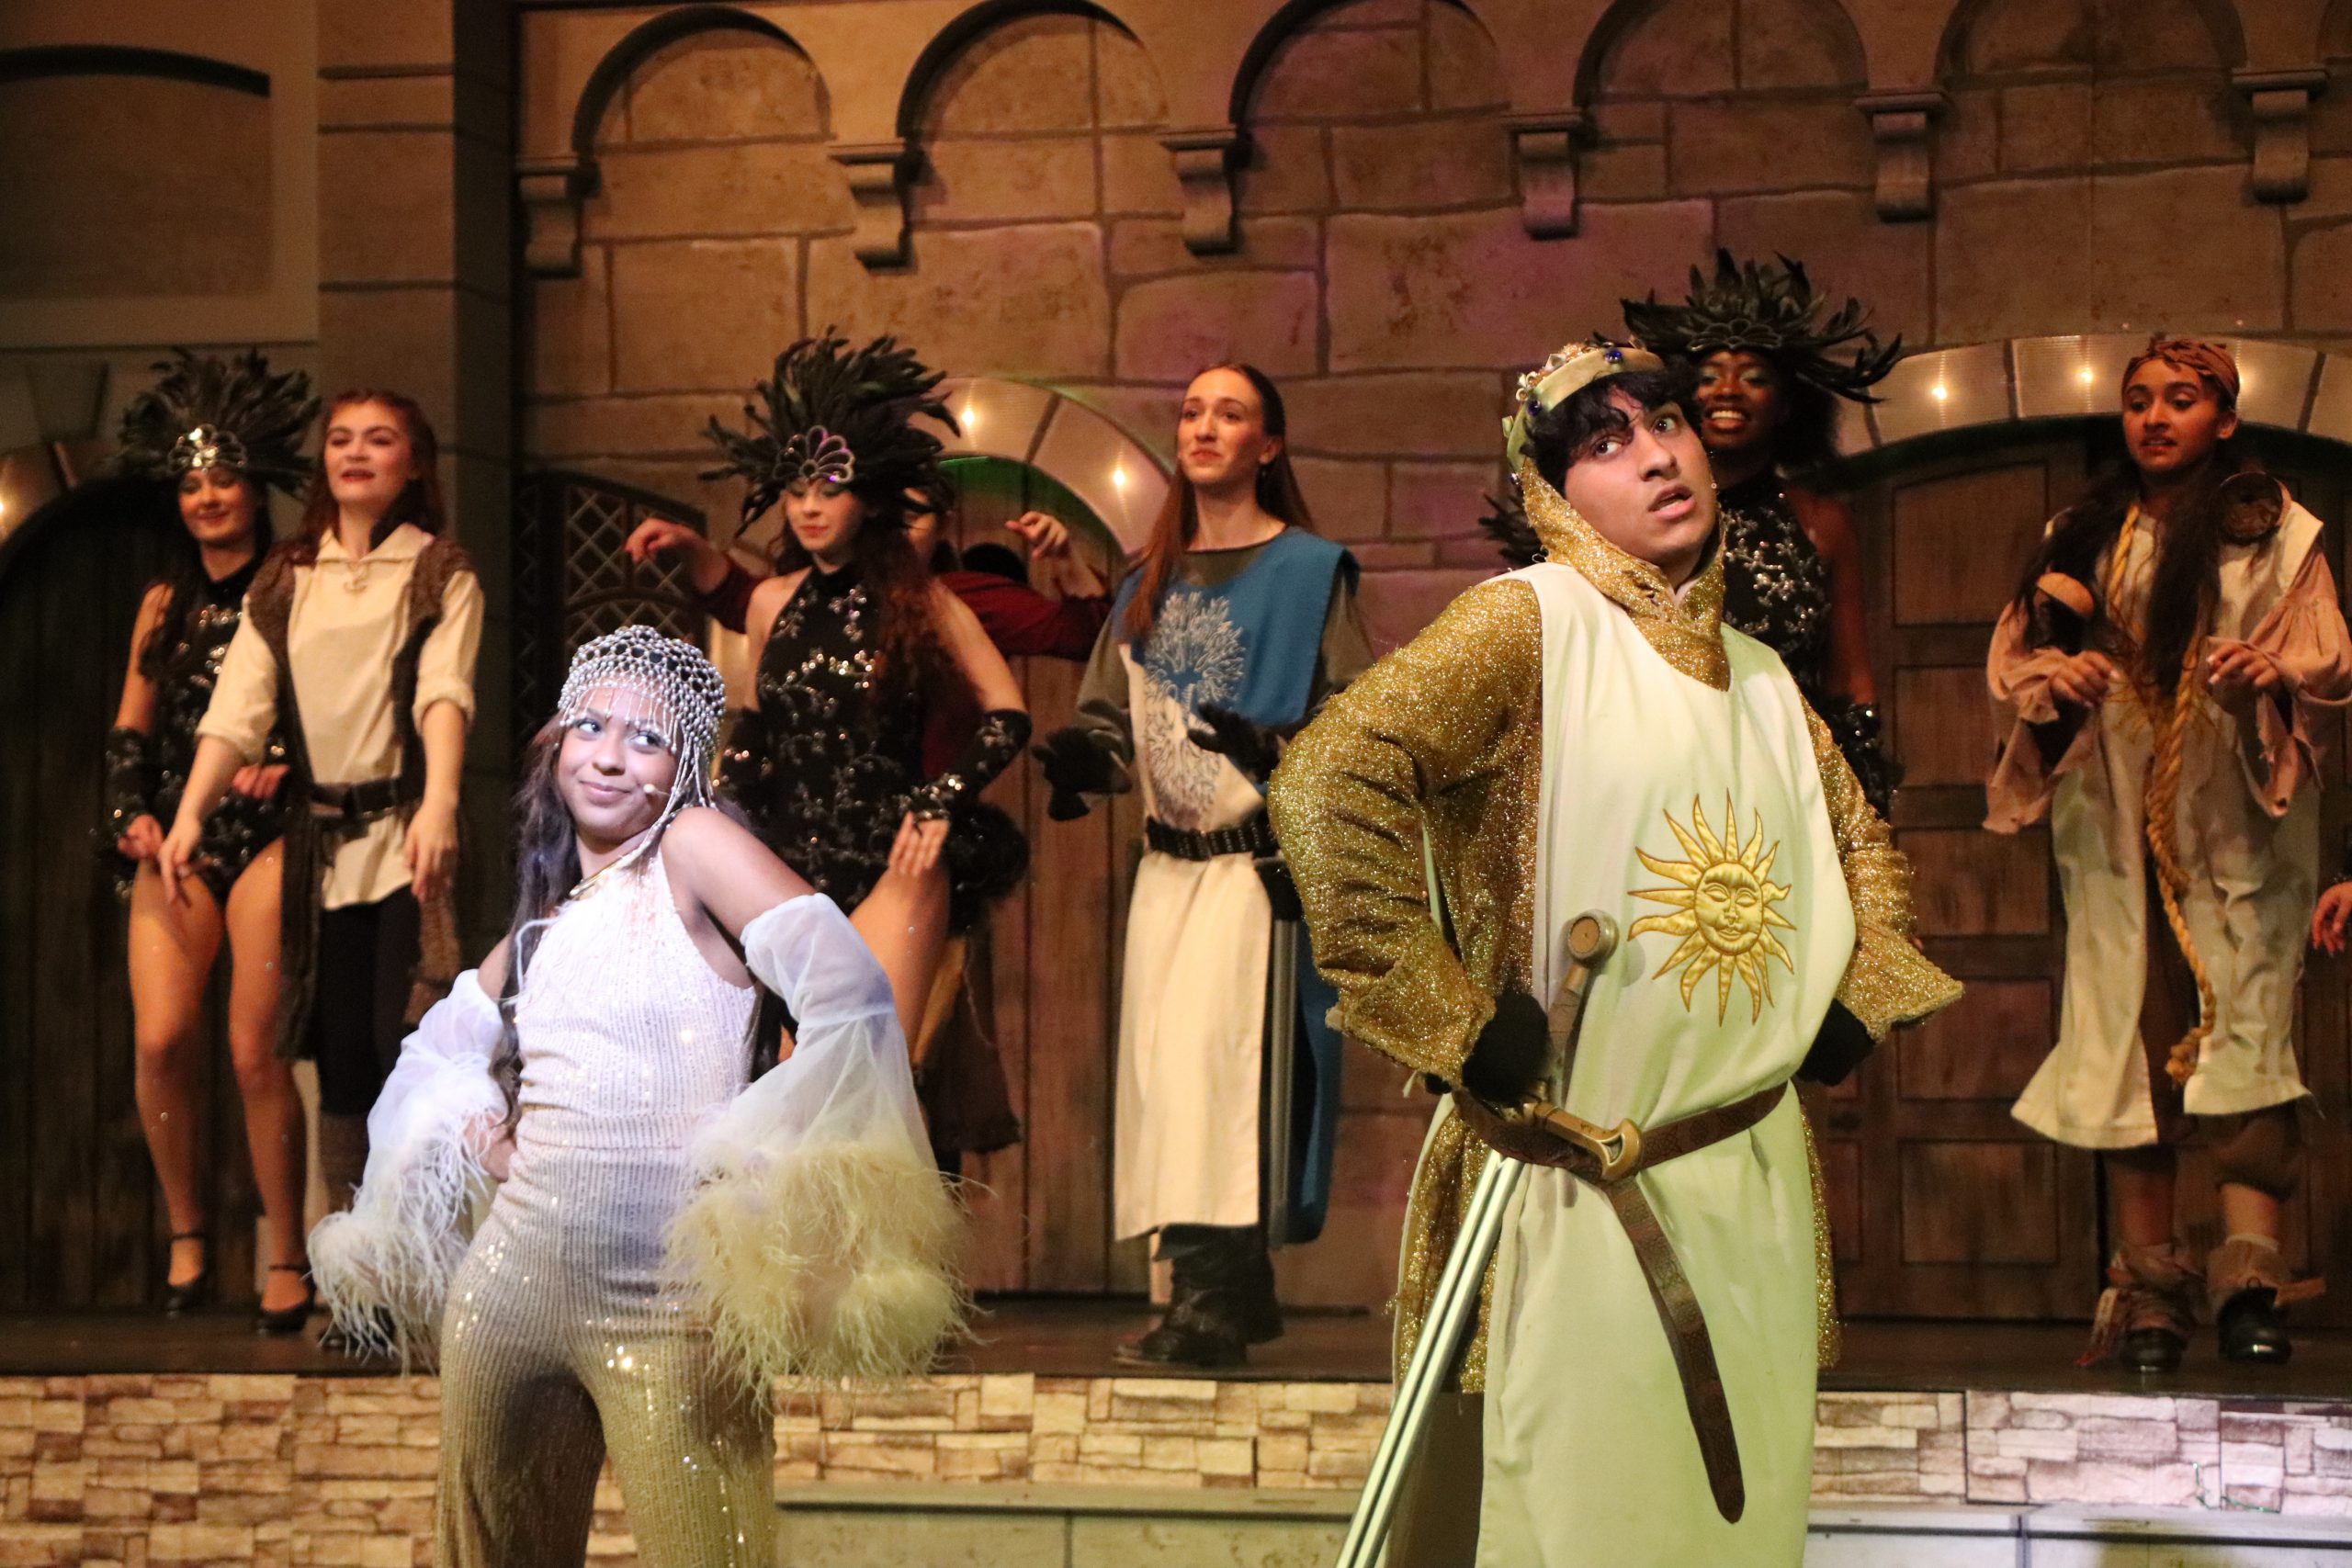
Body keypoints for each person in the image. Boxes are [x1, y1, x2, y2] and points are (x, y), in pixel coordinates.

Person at [1269, 340, 1958, 1563]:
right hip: (1584, 1192)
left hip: (1748, 1186)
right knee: (1591, 1524)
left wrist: (1865, 985)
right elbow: (1332, 778)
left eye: (1670, 423)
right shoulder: (1529, 623)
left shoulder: (1757, 675)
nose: (1657, 455)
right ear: (1550, 490)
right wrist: (1453, 1019)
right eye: (1605, 442)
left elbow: (1860, 843)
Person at [309, 626, 961, 1568]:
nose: (610, 755)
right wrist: (488, 1145)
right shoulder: (542, 933)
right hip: (510, 1296)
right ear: (558, 745)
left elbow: (848, 989)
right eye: (590, 727)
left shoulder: (690, 848)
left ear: (686, 769)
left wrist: (746, 1154)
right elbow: (435, 1049)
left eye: (647, 739)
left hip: (670, 1307)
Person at [1987, 336, 2351, 1370]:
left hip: (2236, 808)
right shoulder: (2082, 532)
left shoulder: (2269, 532)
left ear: (2223, 420)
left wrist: (2264, 669)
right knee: (2132, 1038)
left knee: (2245, 1024)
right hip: (2117, 806)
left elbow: (2325, 653)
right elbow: (2018, 655)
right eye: (2138, 400)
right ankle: (2151, 1288)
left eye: (2181, 400)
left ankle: (2250, 1281)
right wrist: (2058, 679)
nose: (2154, 417)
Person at [1035, 363, 1370, 1368]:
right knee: (1166, 1080)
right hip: (1168, 869)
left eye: (1229, 414)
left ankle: (1220, 1291)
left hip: (1250, 868)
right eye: (1189, 412)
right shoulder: (1148, 581)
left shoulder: (1311, 572)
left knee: (1225, 1079)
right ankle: (1216, 1290)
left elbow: (1358, 718)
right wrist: (1084, 762)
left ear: (1269, 445)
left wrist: (1276, 749)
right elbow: (1110, 717)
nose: (1203, 427)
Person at [160, 390, 483, 1252]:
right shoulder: (287, 577)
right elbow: (238, 706)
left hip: (404, 833)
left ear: (413, 462)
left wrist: (441, 804)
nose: (356, 454)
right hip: (322, 849)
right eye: (341, 440)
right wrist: (191, 811)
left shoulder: (438, 570)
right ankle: (355, 1261)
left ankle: (423, 1248)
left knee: (402, 1038)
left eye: (380, 440)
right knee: (339, 1054)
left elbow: (443, 694)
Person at [698, 335, 1033, 1096]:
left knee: (865, 1087)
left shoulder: (924, 602)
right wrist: (709, 818)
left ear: (872, 495)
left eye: (831, 486)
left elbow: (1008, 713)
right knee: (781, 1094)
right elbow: (753, 732)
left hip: (895, 868)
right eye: (796, 489)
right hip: (783, 873)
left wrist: (941, 798)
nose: (810, 506)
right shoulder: (767, 604)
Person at [103, 349, 316, 1329]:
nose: (206, 498)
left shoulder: (297, 585)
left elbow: (331, 709)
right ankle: (189, 1237)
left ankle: (286, 1254)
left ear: (256, 486)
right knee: (160, 1039)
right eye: (190, 484)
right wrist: (131, 819)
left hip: (270, 829)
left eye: (224, 479)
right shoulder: (165, 603)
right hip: (176, 841)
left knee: (251, 1050)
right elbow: (132, 729)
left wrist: (292, 766)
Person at [1620, 251, 1905, 812]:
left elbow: (1852, 680)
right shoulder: (1640, 514)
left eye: (1753, 378)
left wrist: (1865, 804)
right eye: (1707, 377)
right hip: (1656, 776)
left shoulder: (1821, 523)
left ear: (1787, 405)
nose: (1728, 390)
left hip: (1784, 781)